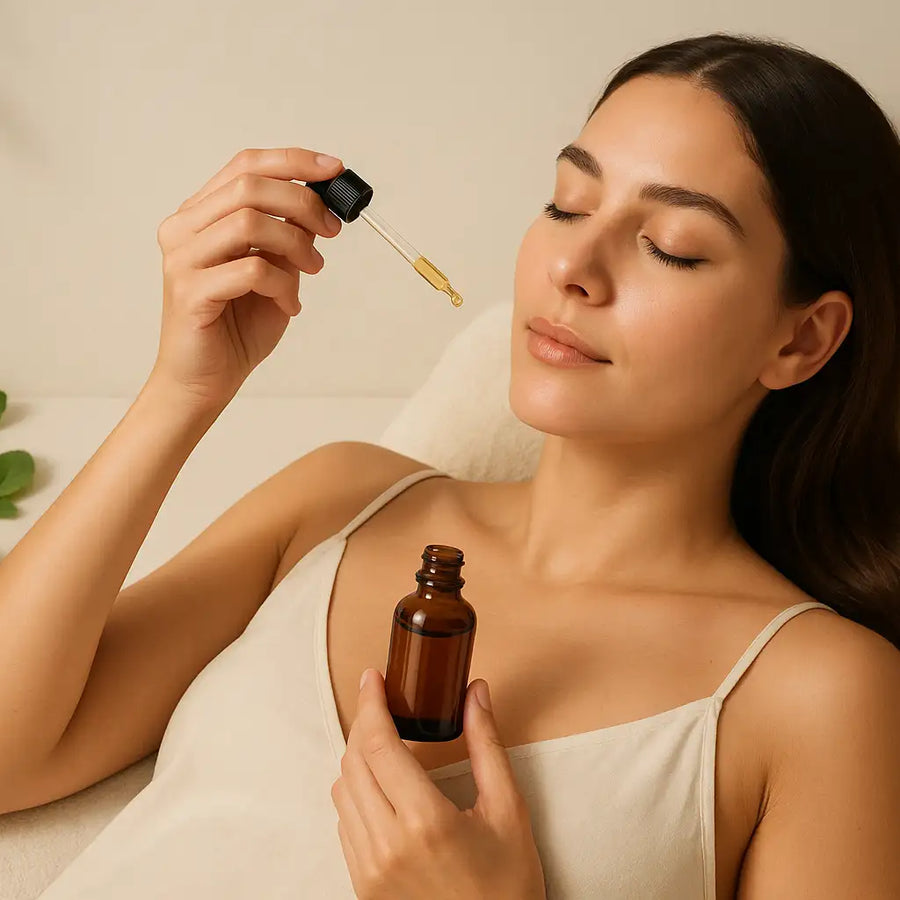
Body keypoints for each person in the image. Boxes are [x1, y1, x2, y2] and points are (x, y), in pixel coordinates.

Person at [2, 30, 899, 900]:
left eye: (670, 245)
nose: (573, 268)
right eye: (566, 205)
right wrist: (180, 391)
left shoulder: (821, 694)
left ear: (801, 338)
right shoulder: (341, 500)